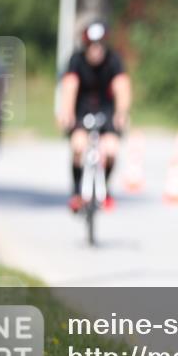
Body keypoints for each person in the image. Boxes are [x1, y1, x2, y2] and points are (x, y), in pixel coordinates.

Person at [56, 20, 131, 212]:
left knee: (111, 149)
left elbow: (121, 86)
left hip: (106, 111)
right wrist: (67, 112)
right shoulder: (76, 60)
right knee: (79, 146)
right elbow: (69, 87)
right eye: (91, 45)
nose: (96, 50)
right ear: (86, 45)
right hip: (82, 111)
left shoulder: (113, 60)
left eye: (99, 45)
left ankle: (105, 189)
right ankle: (76, 192)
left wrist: (122, 113)